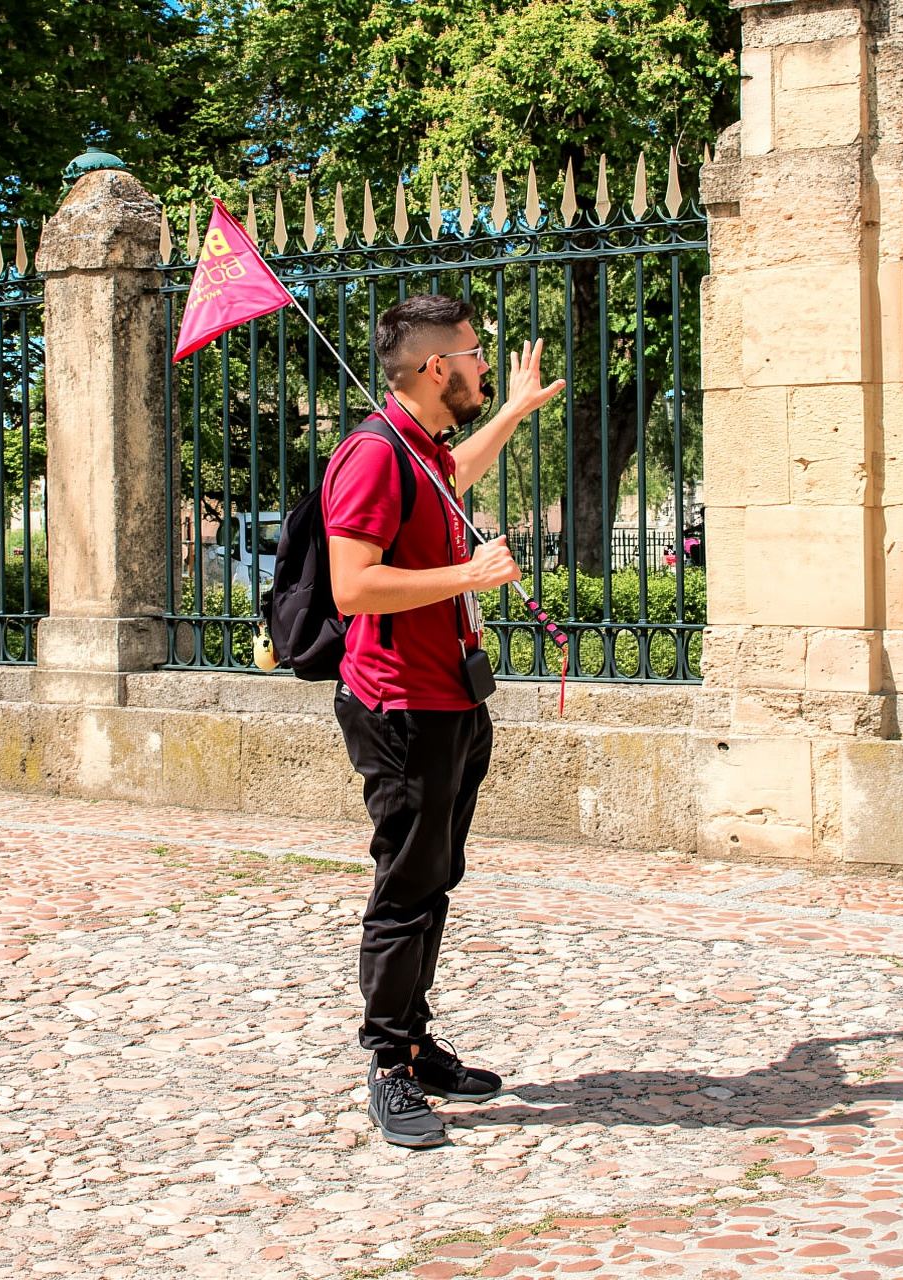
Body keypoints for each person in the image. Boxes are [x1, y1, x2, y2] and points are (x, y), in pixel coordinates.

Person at [322, 295, 565, 1147]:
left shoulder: (420, 447)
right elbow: (354, 587)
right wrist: (468, 577)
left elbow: (454, 475)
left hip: (452, 698)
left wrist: (512, 412)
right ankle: (388, 1065)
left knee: (436, 877)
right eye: (474, 354)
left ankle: (417, 1043)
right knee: (406, 886)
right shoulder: (370, 454)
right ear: (436, 368)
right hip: (400, 705)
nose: (484, 362)